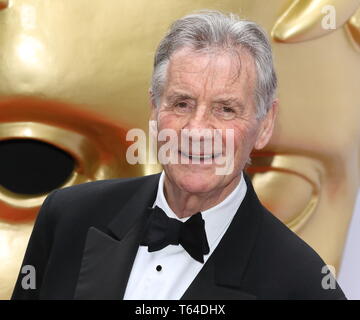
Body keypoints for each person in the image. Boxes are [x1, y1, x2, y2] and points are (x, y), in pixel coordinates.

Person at [12, 10, 346, 300]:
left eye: (226, 109)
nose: (197, 130)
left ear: (265, 124)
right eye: (182, 103)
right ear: (154, 109)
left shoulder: (303, 284)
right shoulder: (68, 218)